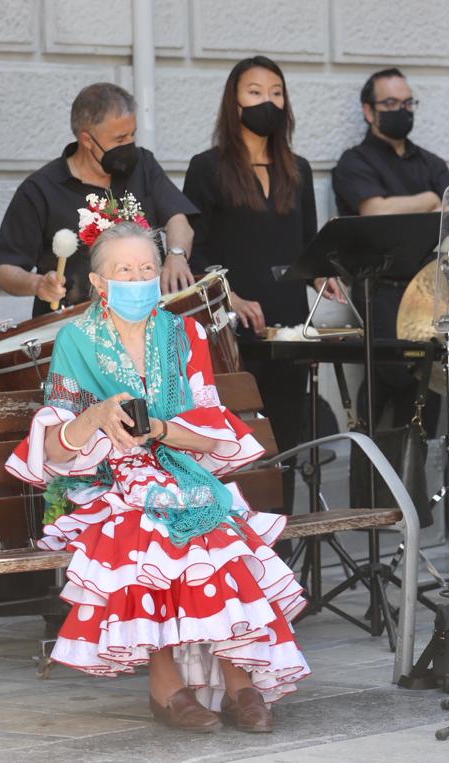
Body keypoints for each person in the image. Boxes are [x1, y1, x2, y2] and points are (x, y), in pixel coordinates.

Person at [4, 223, 309, 733]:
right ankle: (166, 686)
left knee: (215, 528)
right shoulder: (76, 340)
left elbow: (212, 433)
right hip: (103, 480)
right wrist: (97, 416)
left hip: (180, 469)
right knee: (145, 531)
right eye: (125, 270)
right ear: (100, 284)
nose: (139, 279)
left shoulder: (184, 333)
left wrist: (163, 430)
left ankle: (239, 681)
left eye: (147, 268)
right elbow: (56, 447)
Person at [184, 56, 324, 536]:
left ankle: (279, 549)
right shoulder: (207, 169)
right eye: (255, 92)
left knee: (285, 439)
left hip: (289, 326)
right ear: (233, 100)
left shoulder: (298, 169)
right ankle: (233, 543)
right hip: (231, 330)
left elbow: (307, 246)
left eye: (277, 93)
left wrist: (327, 275)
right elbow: (194, 255)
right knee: (238, 441)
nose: (268, 101)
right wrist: (231, 298)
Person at [0, 83, 198, 317]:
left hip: (147, 321)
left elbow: (178, 219)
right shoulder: (40, 190)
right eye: (120, 139)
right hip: (77, 331)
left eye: (132, 134)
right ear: (87, 139)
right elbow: (1, 271)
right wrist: (38, 284)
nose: (129, 145)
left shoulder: (143, 166)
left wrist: (177, 255)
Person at [331, 68, 449, 425]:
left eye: (407, 102)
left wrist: (421, 205)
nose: (401, 110)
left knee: (426, 394)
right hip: (380, 294)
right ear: (369, 111)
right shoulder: (354, 162)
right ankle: (371, 476)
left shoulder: (432, 162)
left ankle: (418, 479)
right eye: (390, 103)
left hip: (431, 295)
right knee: (386, 386)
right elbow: (373, 209)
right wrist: (430, 199)